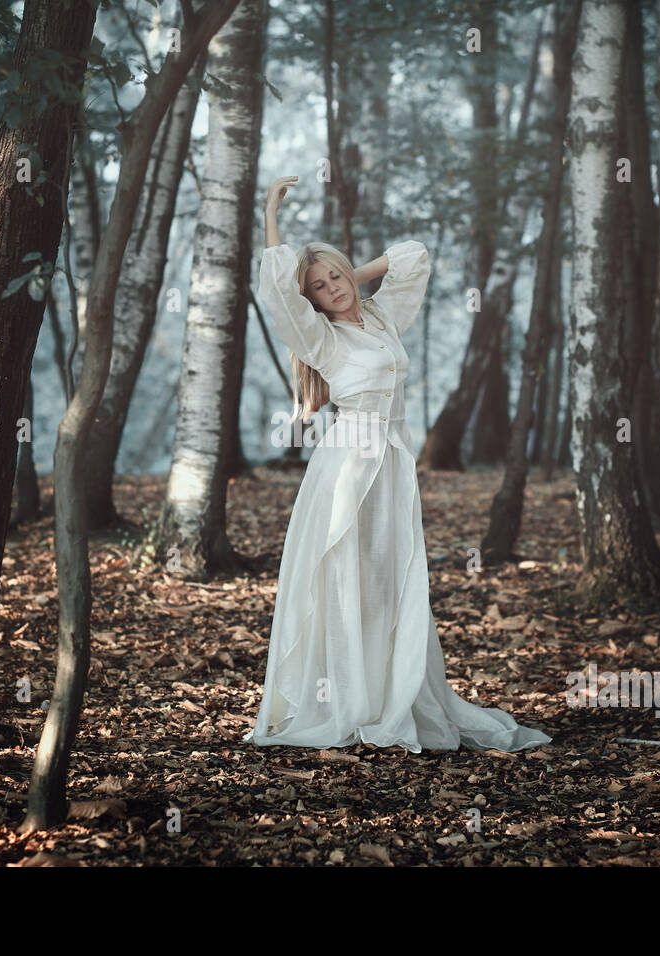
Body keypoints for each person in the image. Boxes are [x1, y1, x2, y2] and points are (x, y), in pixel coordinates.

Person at [242, 174, 552, 753]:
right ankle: (344, 700)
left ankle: (390, 693)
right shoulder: (322, 339)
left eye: (334, 276)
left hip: (391, 467)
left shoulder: (381, 319)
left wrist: (347, 277)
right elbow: (281, 294)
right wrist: (272, 219)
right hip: (346, 467)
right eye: (320, 286)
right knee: (343, 580)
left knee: (389, 582)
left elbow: (413, 258)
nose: (331, 288)